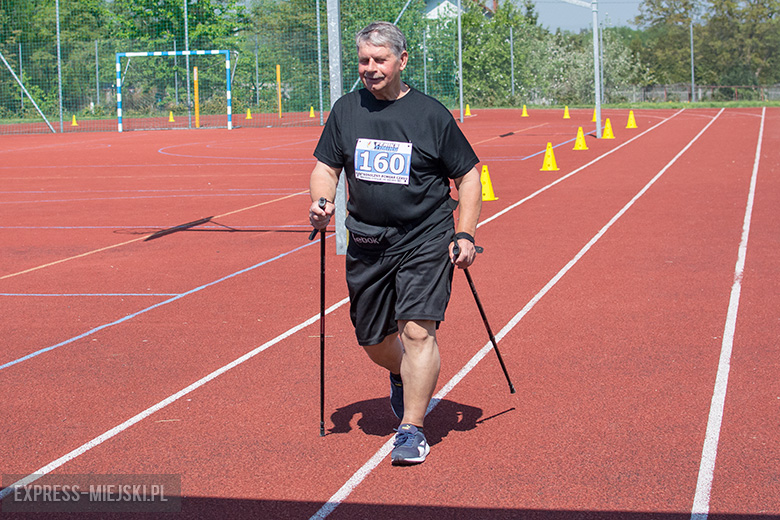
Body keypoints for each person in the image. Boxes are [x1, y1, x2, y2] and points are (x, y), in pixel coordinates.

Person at [308, 21, 482, 466]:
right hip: (366, 241)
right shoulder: (346, 111)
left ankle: (411, 429)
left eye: (379, 60)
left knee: (418, 330)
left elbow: (468, 175)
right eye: (364, 60)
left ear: (402, 61)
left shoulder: (430, 114)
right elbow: (326, 168)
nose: (370, 68)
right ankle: (402, 375)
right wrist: (322, 201)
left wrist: (464, 233)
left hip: (425, 236)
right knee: (374, 341)